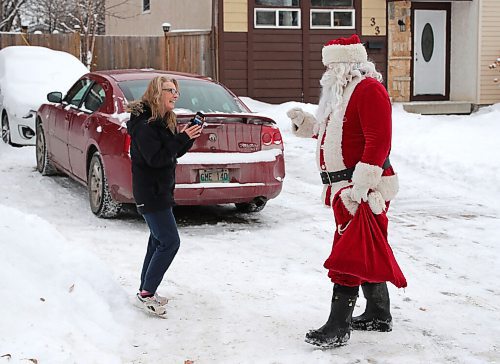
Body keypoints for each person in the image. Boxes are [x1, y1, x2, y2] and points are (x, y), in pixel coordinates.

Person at [287, 34, 406, 348]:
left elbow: (379, 141)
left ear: (345, 64)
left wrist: (362, 187)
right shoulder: (342, 93)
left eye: (330, 66)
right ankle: (379, 314)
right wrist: (307, 123)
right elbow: (336, 135)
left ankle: (338, 325)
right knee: (364, 245)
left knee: (349, 254)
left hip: (362, 188)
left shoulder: (368, 91)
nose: (326, 73)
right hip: (346, 186)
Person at [127, 75, 202, 316]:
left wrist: (187, 137)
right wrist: (182, 137)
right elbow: (156, 158)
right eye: (170, 90)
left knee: (157, 241)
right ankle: (146, 294)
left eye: (176, 90)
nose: (175, 95)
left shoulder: (161, 120)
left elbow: (172, 153)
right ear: (157, 93)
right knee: (170, 242)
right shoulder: (144, 125)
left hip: (161, 190)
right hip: (150, 192)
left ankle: (146, 290)